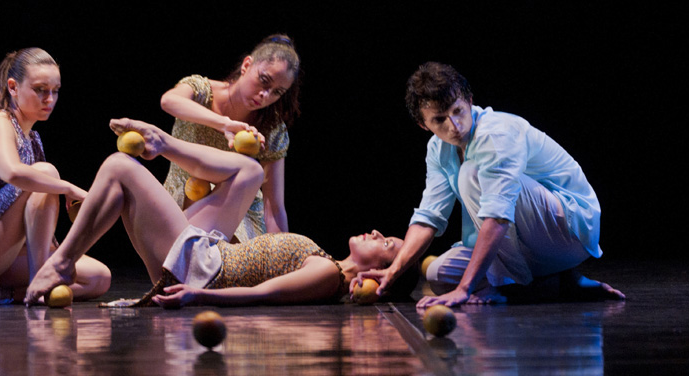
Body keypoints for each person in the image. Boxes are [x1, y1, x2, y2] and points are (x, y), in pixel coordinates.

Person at [24, 118, 416, 307]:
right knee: (250, 171)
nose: (377, 233)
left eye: (387, 244)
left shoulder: (328, 273)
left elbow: (263, 294)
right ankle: (163, 143)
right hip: (208, 251)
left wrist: (197, 296)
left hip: (202, 268)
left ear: (378, 274)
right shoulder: (324, 262)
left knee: (119, 166)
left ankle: (62, 262)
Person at [358, 62, 624, 308]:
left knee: (470, 174)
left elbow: (498, 216)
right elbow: (429, 217)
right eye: (439, 119)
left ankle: (509, 286)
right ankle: (562, 282)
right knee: (439, 274)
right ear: (423, 125)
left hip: (569, 229)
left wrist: (464, 289)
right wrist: (392, 271)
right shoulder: (438, 149)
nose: (454, 125)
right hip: (527, 241)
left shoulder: (495, 133)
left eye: (458, 111)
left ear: (470, 101)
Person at [0, 48, 111, 305]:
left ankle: (8, 295)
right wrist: (67, 188)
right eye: (40, 89)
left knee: (98, 277)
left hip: (2, 250)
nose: (49, 99)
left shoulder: (33, 139)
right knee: (46, 173)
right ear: (13, 87)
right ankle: (39, 282)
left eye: (55, 90)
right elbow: (12, 172)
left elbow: (32, 215)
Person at [160, 34, 301, 242]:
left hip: (237, 214)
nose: (265, 95)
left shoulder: (271, 128)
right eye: (264, 81)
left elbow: (274, 208)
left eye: (277, 92)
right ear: (247, 65)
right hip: (181, 201)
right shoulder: (202, 91)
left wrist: (282, 252)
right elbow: (169, 101)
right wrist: (223, 124)